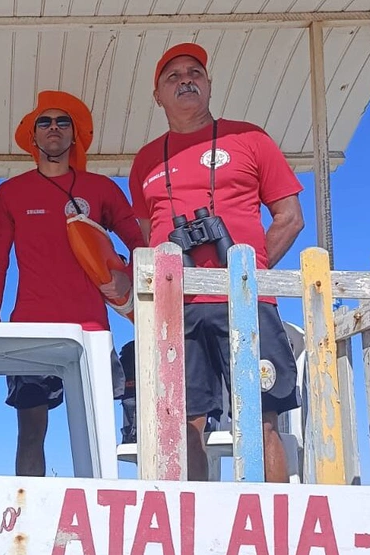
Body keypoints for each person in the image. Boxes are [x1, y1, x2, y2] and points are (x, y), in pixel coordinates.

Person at [129, 42, 305, 482]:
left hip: (245, 299)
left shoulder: (249, 138)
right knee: (185, 422)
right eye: (173, 76)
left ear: (208, 85)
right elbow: (143, 234)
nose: (186, 80)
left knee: (261, 417)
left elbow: (290, 217)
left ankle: (273, 531)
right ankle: (194, 532)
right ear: (158, 96)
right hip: (178, 307)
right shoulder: (145, 160)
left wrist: (251, 271)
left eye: (195, 73)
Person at [0, 91, 145, 476]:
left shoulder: (102, 188)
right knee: (30, 431)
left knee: (95, 431)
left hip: (90, 327)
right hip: (30, 327)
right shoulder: (10, 192)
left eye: (62, 122)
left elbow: (141, 246)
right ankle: (25, 523)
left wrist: (122, 270)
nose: (53, 128)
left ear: (76, 135)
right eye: (45, 122)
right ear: (32, 137)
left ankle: (100, 519)